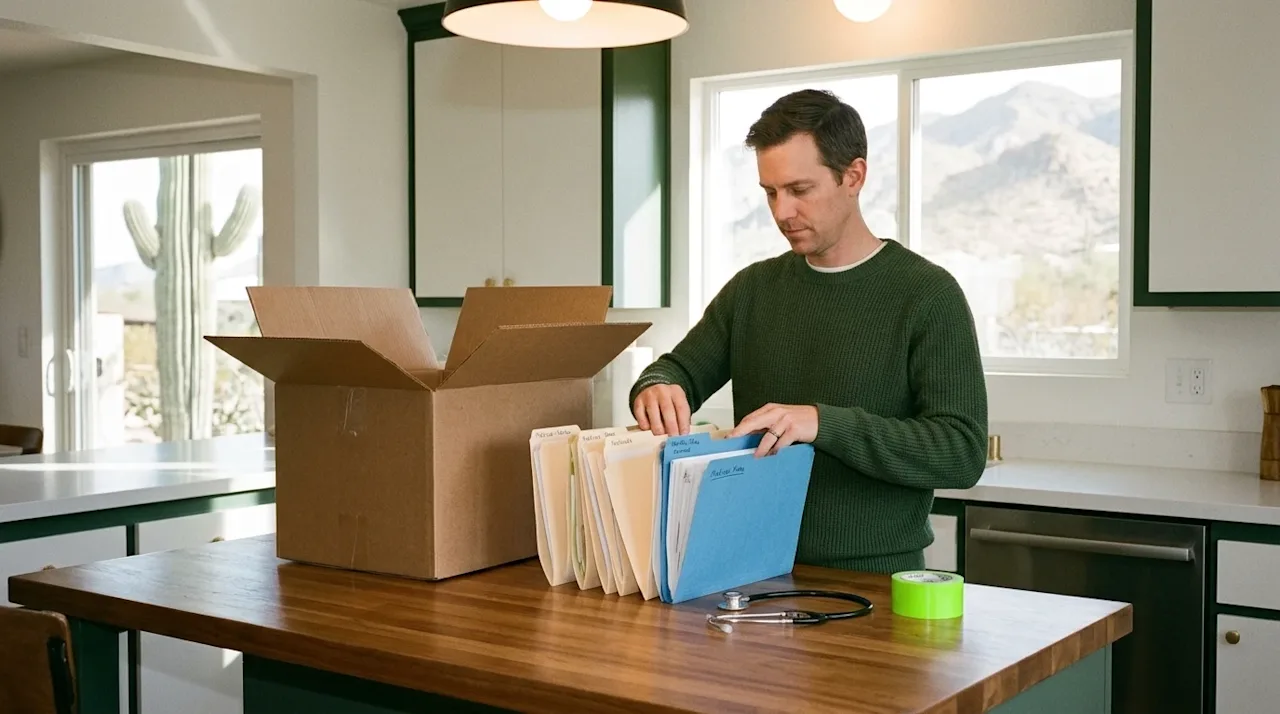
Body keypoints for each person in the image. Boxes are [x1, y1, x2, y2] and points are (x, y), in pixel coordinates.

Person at [629, 88, 988, 574]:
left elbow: (961, 453)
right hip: (747, 568)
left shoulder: (927, 295)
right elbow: (676, 370)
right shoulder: (753, 290)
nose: (781, 212)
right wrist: (657, 386)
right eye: (770, 192)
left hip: (876, 580)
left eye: (799, 190)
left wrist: (822, 424)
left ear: (853, 176)